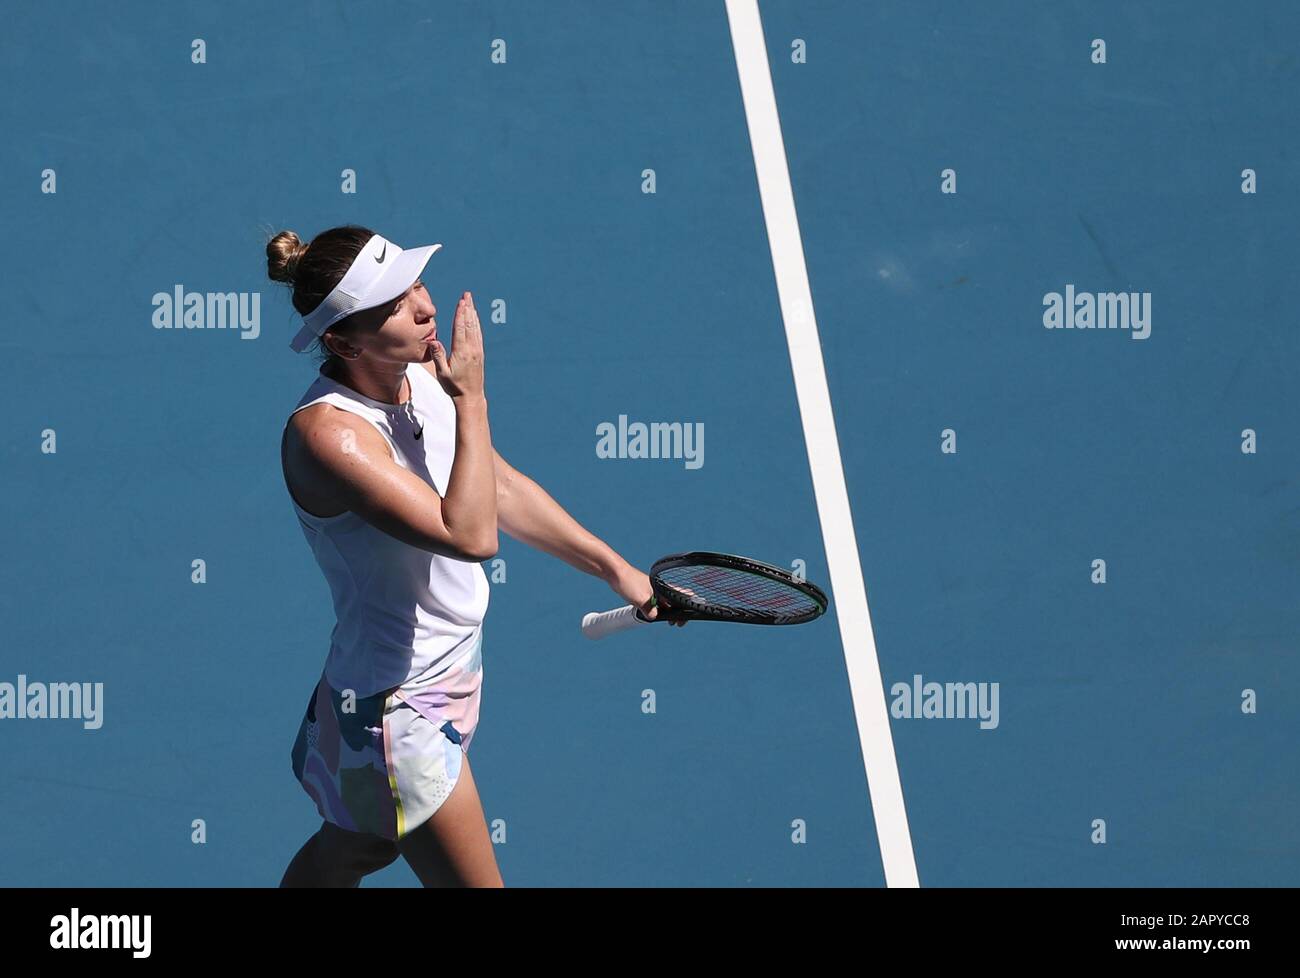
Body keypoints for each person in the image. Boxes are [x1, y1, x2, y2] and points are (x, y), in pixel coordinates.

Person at [268, 225, 682, 887]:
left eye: (417, 287)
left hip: (435, 670)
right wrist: (473, 398)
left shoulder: (415, 376)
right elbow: (469, 534)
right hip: (399, 707)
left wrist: (616, 569)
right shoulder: (331, 438)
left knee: (360, 848)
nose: (425, 309)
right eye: (395, 307)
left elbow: (501, 486)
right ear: (346, 342)